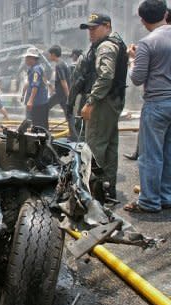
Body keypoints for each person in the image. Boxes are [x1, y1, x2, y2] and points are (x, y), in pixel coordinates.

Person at [124, 0, 171, 213]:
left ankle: (149, 202)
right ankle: (166, 196)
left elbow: (137, 78)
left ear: (143, 20)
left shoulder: (147, 43)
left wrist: (132, 59)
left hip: (157, 104)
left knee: (150, 155)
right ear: (165, 13)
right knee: (168, 153)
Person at [79, 13, 128, 200]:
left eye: (94, 28)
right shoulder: (116, 44)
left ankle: (94, 195)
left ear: (107, 26)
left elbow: (105, 76)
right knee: (109, 147)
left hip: (103, 102)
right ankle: (108, 190)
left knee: (94, 148)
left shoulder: (106, 46)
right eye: (89, 29)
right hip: (112, 101)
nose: (90, 33)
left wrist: (90, 102)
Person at [47, 45, 78, 140]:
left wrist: (68, 96)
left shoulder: (59, 65)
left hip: (61, 95)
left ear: (53, 54)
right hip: (62, 94)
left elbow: (63, 81)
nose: (48, 56)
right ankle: (74, 136)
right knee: (69, 114)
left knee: (44, 108)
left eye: (49, 55)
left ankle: (44, 130)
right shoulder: (63, 63)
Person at [22, 47, 49, 129]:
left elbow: (35, 86)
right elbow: (29, 83)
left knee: (38, 124)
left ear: (32, 58)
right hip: (39, 101)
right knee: (39, 123)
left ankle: (41, 139)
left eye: (27, 58)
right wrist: (23, 95)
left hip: (37, 103)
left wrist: (30, 101)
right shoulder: (34, 68)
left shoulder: (36, 70)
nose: (25, 60)